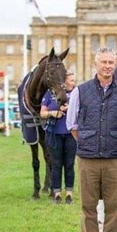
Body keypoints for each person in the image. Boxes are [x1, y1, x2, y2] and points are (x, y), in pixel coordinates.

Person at [66, 48, 117, 232]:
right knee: (88, 206)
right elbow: (72, 125)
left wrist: (111, 142)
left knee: (115, 207)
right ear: (95, 64)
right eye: (103, 62)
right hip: (88, 159)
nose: (107, 66)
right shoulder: (80, 91)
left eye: (111, 62)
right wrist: (90, 141)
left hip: (115, 159)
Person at [40, 72, 77, 204]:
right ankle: (56, 193)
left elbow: (82, 111)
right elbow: (42, 113)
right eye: (71, 80)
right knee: (56, 164)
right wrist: (53, 113)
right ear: (64, 81)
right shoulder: (50, 94)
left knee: (69, 164)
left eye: (74, 80)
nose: (73, 83)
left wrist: (70, 108)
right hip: (54, 134)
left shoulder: (76, 94)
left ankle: (69, 193)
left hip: (71, 135)